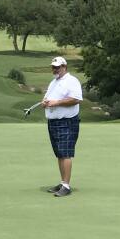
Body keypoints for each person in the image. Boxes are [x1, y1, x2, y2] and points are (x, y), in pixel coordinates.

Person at [41, 56, 82, 197]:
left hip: (67, 122)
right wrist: (45, 103)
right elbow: (49, 99)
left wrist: (56, 103)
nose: (55, 69)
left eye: (57, 67)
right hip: (53, 122)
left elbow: (76, 99)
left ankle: (66, 186)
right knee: (59, 153)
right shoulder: (54, 82)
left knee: (65, 153)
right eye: (53, 67)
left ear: (64, 66)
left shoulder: (72, 81)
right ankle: (62, 182)